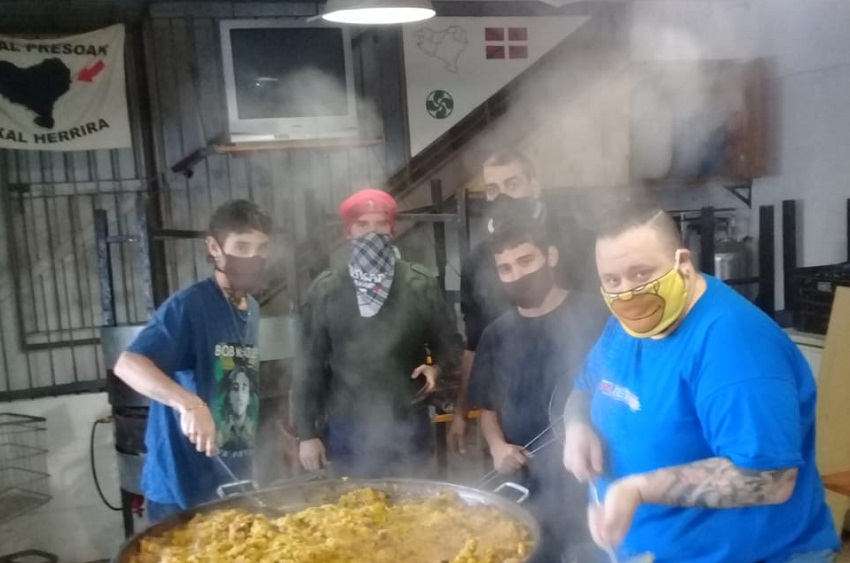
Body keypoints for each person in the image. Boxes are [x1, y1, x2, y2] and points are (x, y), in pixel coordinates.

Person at [562, 199, 840, 562]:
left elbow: (770, 479)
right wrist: (577, 425)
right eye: (612, 280)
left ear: (683, 263)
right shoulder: (627, 322)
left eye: (641, 273)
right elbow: (584, 388)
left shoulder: (733, 344)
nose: (627, 292)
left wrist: (638, 489)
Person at [114, 199, 272, 522]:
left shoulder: (252, 309)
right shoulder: (189, 305)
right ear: (214, 247)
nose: (252, 258)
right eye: (241, 246)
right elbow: (128, 364)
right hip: (180, 486)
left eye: (261, 248)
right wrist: (190, 404)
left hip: (229, 479)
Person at [467, 215, 607, 563]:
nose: (517, 275)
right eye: (505, 268)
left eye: (526, 261)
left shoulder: (598, 314)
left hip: (593, 474)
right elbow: (487, 409)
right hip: (527, 480)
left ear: (551, 256)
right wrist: (498, 448)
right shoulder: (496, 334)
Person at [294, 189, 460, 478]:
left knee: (417, 509)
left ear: (392, 230)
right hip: (348, 427)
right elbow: (308, 366)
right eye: (362, 224)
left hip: (408, 422)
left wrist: (438, 369)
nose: (372, 232)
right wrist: (307, 434)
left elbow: (450, 344)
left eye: (380, 223)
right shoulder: (326, 290)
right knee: (354, 511)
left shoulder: (418, 285)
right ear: (348, 232)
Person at [449, 149, 594, 454]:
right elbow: (474, 342)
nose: (503, 197)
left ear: (534, 186)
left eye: (512, 185)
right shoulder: (478, 260)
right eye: (493, 190)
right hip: (511, 417)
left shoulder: (577, 240)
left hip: (582, 409)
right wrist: (461, 412)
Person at [217, 365, 258, 451]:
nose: (239, 396)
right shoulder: (220, 431)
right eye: (235, 388)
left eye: (244, 388)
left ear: (249, 398)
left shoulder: (256, 430)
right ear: (229, 396)